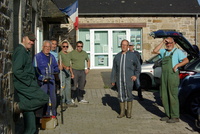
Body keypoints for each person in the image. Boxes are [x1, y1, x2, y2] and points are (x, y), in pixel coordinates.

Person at [12, 32, 49, 134]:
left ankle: (22, 108)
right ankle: (18, 107)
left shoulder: (25, 51)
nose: (32, 42)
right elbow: (17, 70)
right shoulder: (21, 51)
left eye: (33, 41)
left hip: (27, 84)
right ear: (24, 39)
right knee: (44, 98)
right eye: (30, 40)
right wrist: (29, 82)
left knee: (31, 125)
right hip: (25, 85)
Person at [153, 37, 189, 123]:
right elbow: (155, 50)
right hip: (164, 76)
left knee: (172, 96)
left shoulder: (177, 52)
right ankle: (168, 114)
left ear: (174, 43)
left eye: (170, 42)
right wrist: (162, 41)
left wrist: (177, 65)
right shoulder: (164, 52)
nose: (168, 44)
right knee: (164, 95)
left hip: (172, 76)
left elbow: (186, 60)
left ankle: (175, 116)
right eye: (167, 43)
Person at [111, 39, 141, 118]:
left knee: (129, 94)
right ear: (121, 46)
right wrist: (112, 80)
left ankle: (129, 112)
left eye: (125, 45)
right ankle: (122, 112)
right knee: (120, 95)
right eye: (122, 45)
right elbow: (114, 69)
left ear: (128, 46)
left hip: (129, 79)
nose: (124, 46)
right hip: (119, 79)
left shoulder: (132, 56)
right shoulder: (117, 56)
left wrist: (136, 75)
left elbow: (138, 66)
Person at [33, 40, 59, 120]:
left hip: (51, 80)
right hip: (42, 82)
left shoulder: (52, 57)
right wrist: (41, 78)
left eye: (49, 47)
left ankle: (53, 113)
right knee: (43, 98)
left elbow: (55, 67)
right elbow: (35, 69)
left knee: (53, 97)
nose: (47, 48)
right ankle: (43, 114)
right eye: (46, 46)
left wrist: (57, 70)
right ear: (42, 47)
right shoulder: (37, 57)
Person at [58, 41, 77, 107]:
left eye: (66, 46)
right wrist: (64, 67)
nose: (65, 48)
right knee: (63, 86)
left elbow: (70, 64)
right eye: (64, 46)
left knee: (68, 87)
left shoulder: (68, 54)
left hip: (68, 72)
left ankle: (68, 101)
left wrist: (72, 73)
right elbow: (60, 62)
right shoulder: (60, 54)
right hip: (62, 72)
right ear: (61, 47)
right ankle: (62, 102)